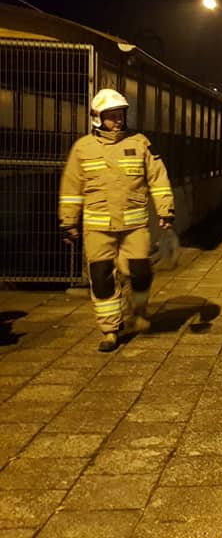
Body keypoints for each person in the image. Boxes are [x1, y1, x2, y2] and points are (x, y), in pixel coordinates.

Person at [59, 88, 175, 352]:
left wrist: (165, 210)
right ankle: (110, 330)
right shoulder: (83, 148)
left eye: (121, 114)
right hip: (97, 228)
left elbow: (158, 178)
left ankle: (139, 310)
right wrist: (68, 222)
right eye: (112, 116)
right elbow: (71, 188)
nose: (118, 120)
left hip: (134, 227)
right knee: (101, 278)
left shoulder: (140, 143)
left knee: (141, 273)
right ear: (98, 118)